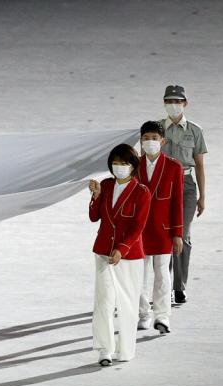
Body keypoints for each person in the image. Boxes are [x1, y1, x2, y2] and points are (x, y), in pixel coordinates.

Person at [88, 144, 150, 366]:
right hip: (103, 250)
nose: (119, 167)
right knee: (104, 301)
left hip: (130, 255)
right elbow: (94, 217)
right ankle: (104, 349)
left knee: (127, 303)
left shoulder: (142, 192)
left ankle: (125, 349)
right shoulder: (105, 185)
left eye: (124, 164)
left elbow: (138, 227)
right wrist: (95, 196)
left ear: (133, 166)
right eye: (116, 163)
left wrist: (122, 249)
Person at [161, 84, 208, 304]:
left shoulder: (195, 130)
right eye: (169, 101)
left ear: (185, 103)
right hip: (162, 186)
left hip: (187, 184)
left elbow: (199, 164)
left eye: (177, 101)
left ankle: (179, 286)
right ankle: (165, 286)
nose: (173, 105)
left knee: (183, 235)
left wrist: (202, 196)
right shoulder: (158, 129)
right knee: (165, 235)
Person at [136, 120, 184, 334]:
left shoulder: (174, 167)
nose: (150, 142)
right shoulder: (133, 166)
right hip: (138, 231)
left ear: (162, 141)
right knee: (140, 275)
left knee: (163, 275)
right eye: (146, 138)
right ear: (140, 141)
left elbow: (177, 202)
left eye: (154, 138)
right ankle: (143, 314)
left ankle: (162, 317)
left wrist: (178, 233)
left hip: (164, 230)